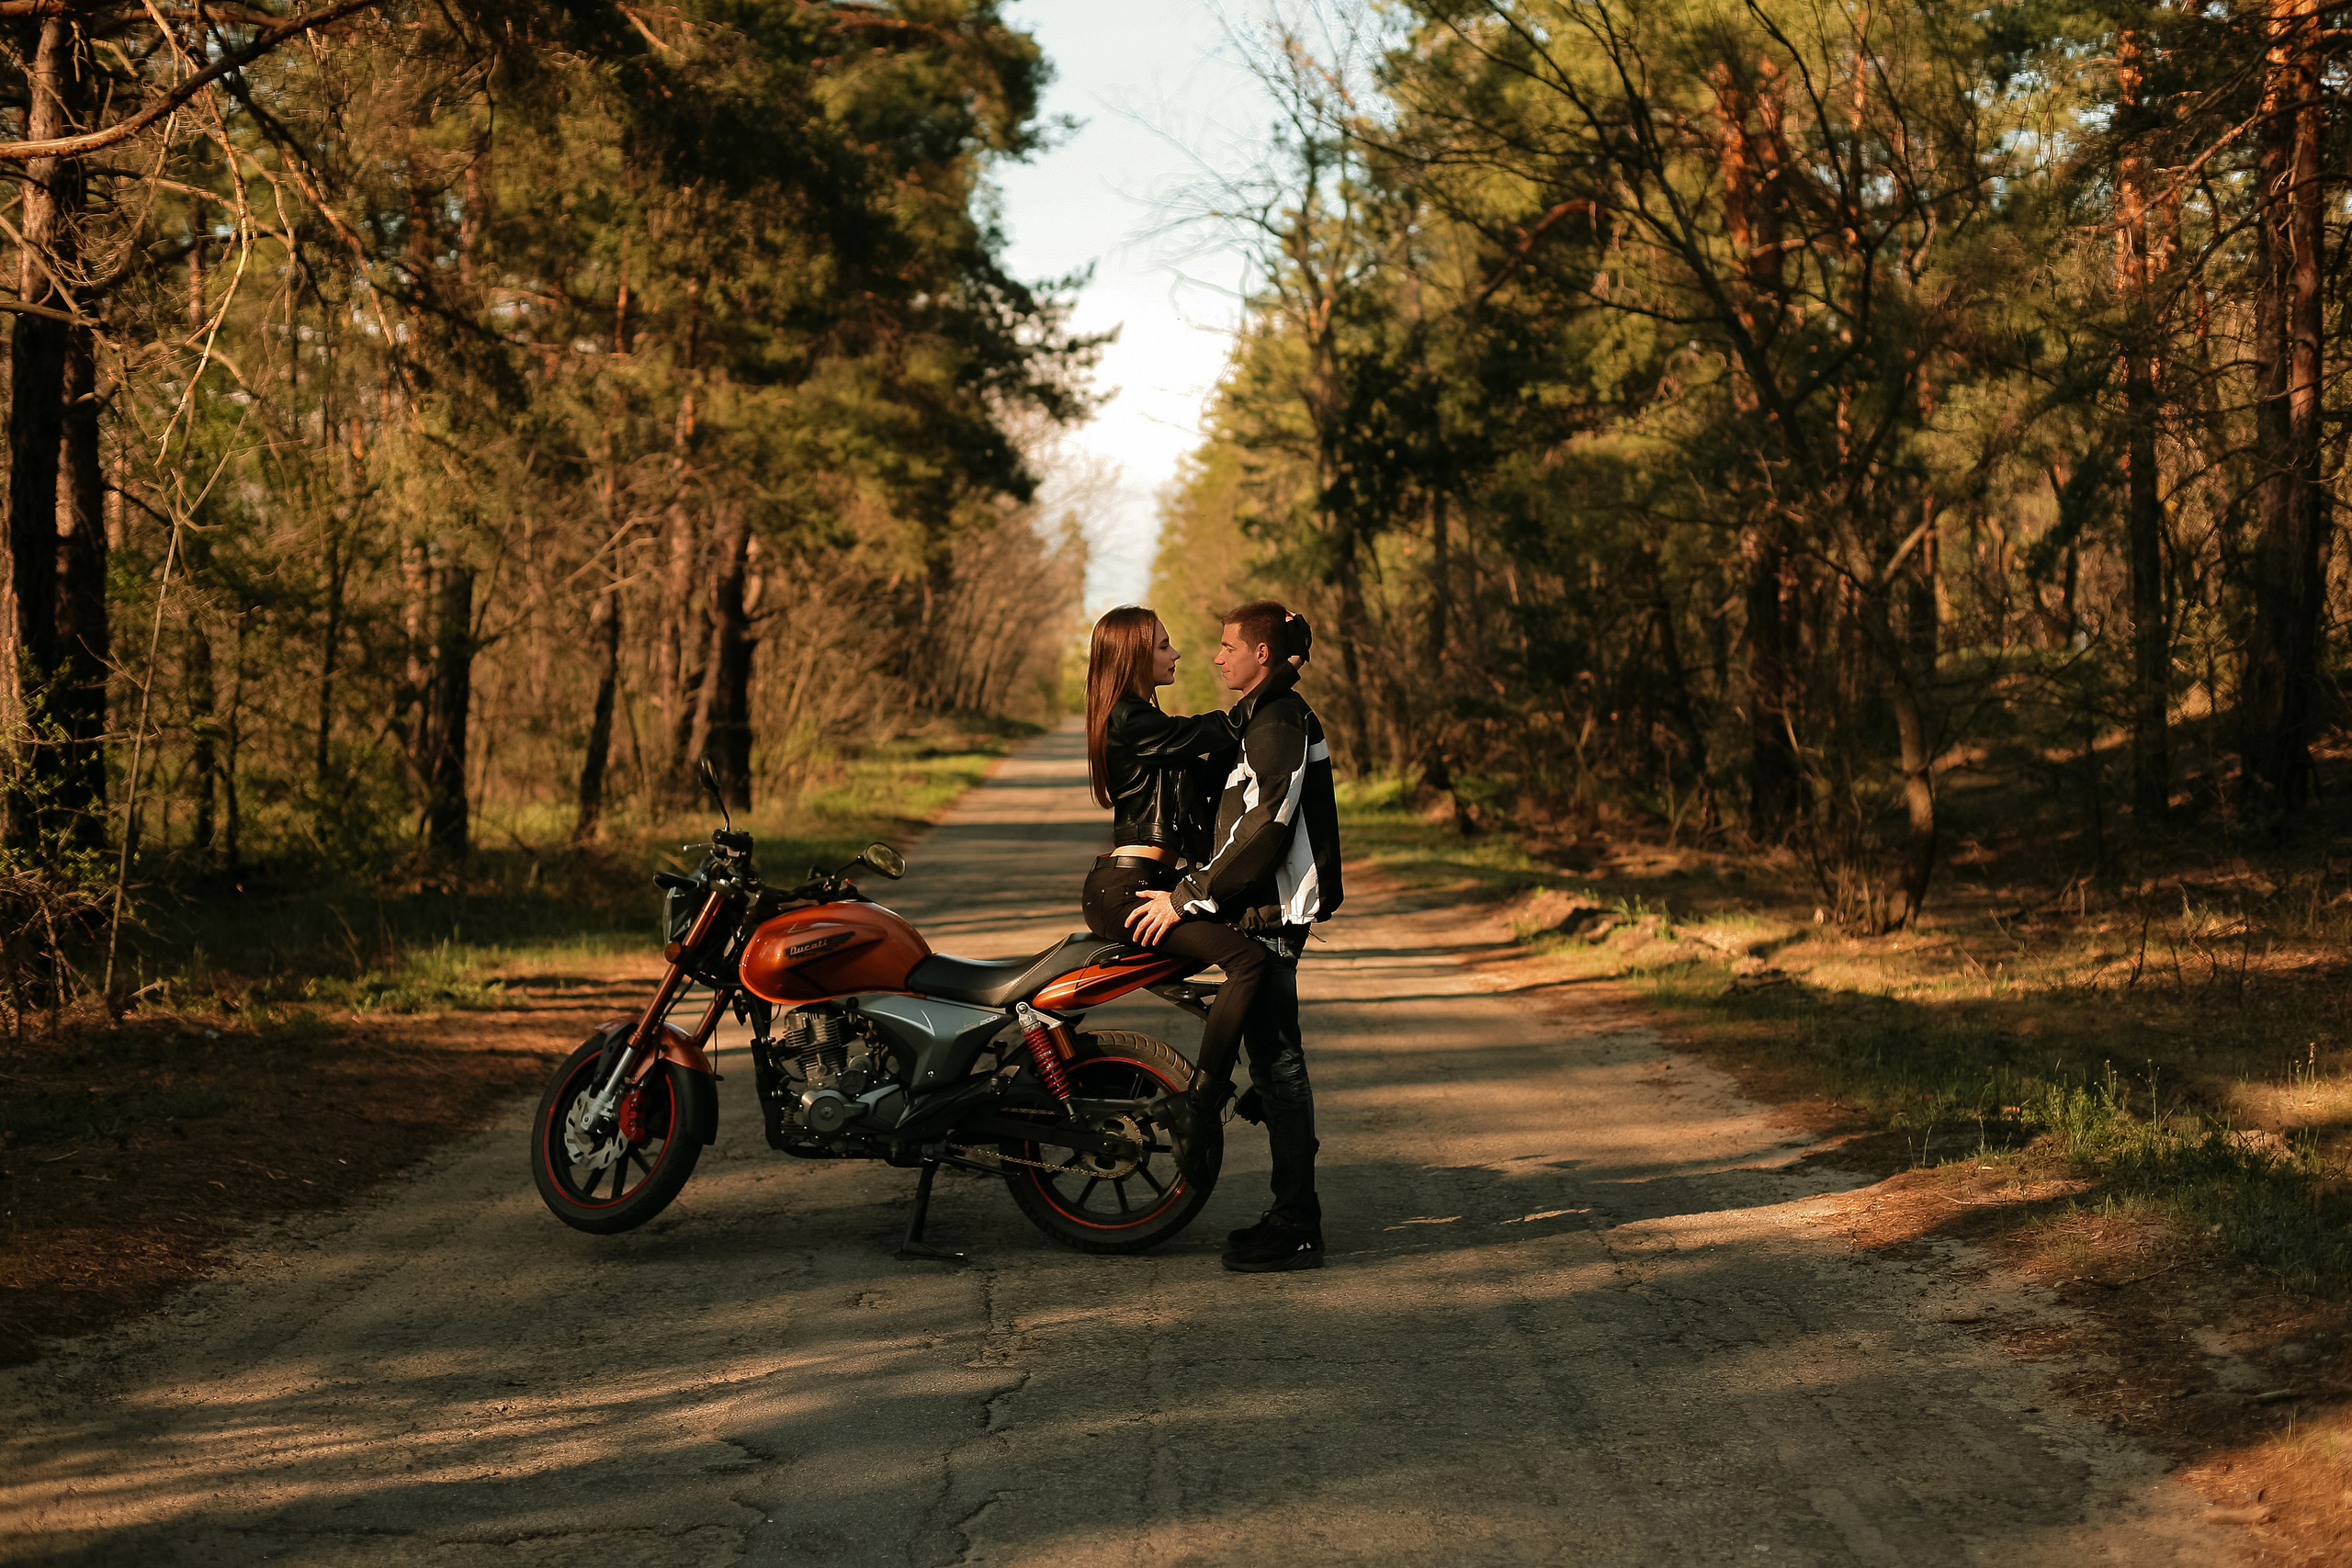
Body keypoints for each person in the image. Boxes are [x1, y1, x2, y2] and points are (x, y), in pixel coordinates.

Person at [1126, 599, 1341, 1273]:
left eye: (1227, 646)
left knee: (1281, 1064)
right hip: (1253, 910)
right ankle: (1290, 1205)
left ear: (1263, 655)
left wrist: (1188, 895)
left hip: (1273, 911)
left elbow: (1268, 826)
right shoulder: (1258, 716)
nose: (1216, 656)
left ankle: (1297, 1222)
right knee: (1275, 1066)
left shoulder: (1279, 719)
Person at [1080, 605, 1292, 1193]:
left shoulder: (1144, 720)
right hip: (1126, 891)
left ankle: (1264, 1082)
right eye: (1165, 646)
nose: (1178, 655)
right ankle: (1200, 1101)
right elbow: (1219, 731)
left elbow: (1219, 763)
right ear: (1134, 656)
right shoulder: (1129, 720)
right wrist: (1278, 678)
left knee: (1255, 956)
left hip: (1148, 884)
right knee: (1247, 962)